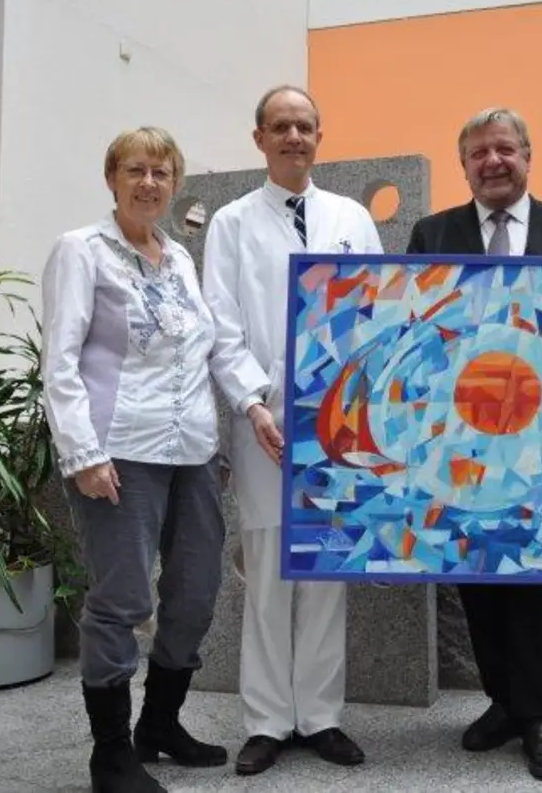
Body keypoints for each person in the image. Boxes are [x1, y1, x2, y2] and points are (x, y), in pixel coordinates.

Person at [406, 106, 542, 781]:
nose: (494, 161)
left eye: (505, 149)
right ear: (464, 166)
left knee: (541, 576)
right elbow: (415, 327)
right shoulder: (433, 233)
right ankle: (504, 703)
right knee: (474, 573)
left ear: (527, 156)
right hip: (460, 438)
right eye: (479, 153)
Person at [41, 127, 231, 793]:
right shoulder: (82, 251)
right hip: (117, 451)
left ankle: (160, 724)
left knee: (197, 592)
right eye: (136, 170)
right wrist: (83, 455)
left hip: (193, 454)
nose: (149, 182)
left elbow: (202, 351)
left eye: (162, 172)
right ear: (112, 179)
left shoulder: (179, 258)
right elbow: (59, 363)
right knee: (121, 599)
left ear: (176, 183)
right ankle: (112, 752)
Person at [201, 84, 381, 776]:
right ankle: (270, 721)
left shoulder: (351, 216)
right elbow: (223, 325)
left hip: (340, 427)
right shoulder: (232, 223)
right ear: (259, 139)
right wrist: (253, 404)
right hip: (266, 427)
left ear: (319, 136)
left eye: (305, 126)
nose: (294, 137)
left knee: (328, 569)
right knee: (272, 576)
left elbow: (375, 311)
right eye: (280, 127)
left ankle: (323, 716)